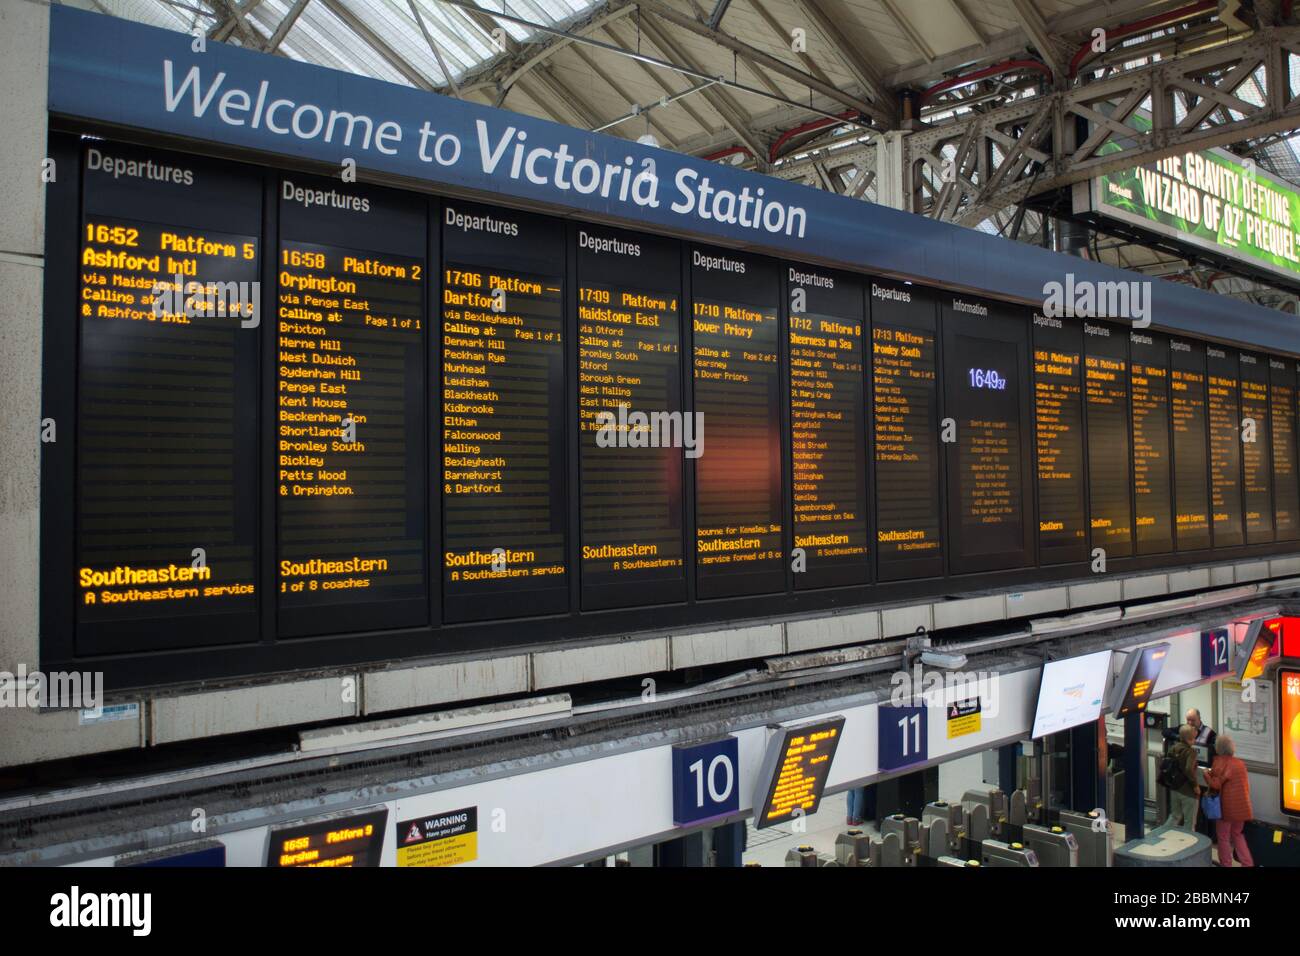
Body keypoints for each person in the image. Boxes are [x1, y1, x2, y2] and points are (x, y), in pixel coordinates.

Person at [1203, 734, 1254, 867]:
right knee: (1237, 834)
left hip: (1226, 808)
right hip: (1242, 807)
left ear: (1218, 747)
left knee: (1223, 837)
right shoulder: (1240, 763)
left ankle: (1226, 864)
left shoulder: (1220, 762)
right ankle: (1247, 863)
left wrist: (1206, 775)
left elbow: (1216, 785)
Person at [1164, 724, 1201, 830]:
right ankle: (1189, 844)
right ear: (1190, 739)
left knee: (1175, 816)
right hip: (1187, 790)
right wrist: (1195, 786)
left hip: (1174, 787)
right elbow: (1189, 769)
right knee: (1190, 821)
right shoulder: (1191, 752)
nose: (1195, 741)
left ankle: (1164, 834)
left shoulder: (1173, 748)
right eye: (1194, 738)